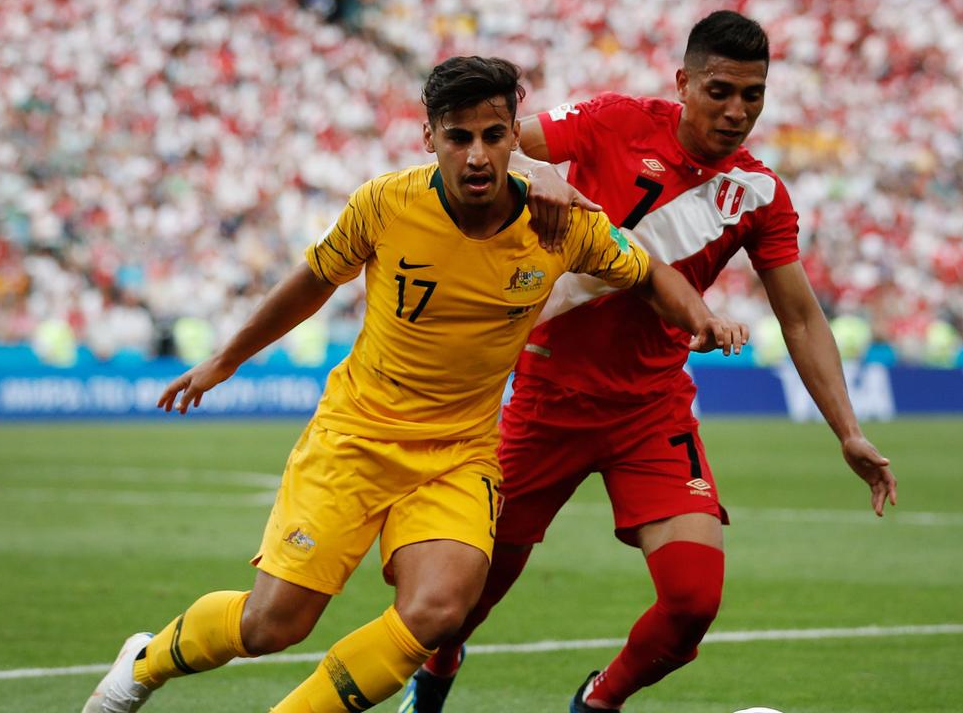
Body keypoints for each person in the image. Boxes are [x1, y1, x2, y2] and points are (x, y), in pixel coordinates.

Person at [81, 55, 747, 713]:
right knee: (272, 626)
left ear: (516, 137)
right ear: (429, 139)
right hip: (355, 437)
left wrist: (701, 317)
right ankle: (146, 661)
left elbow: (649, 272)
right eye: (459, 137)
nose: (478, 155)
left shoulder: (561, 226)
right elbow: (314, 280)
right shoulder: (384, 205)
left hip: (457, 455)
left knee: (437, 609)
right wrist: (226, 360)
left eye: (493, 136)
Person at [402, 11, 897, 713]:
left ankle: (599, 702)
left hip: (651, 410)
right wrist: (540, 173)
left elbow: (800, 316)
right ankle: (439, 668)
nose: (736, 111)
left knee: (693, 602)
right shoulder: (614, 121)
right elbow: (498, 145)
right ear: (684, 83)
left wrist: (847, 429)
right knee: (460, 601)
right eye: (720, 90)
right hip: (547, 401)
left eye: (752, 95)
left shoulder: (758, 194)